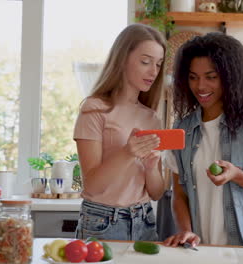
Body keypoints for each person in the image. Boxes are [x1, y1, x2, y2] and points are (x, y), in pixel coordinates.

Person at [163, 32, 243, 248]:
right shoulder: (182, 129)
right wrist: (185, 231)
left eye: (211, 77)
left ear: (230, 77)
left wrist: (238, 175)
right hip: (199, 252)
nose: (200, 86)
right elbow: (179, 194)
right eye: (193, 77)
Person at [73, 23, 167, 241]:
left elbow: (156, 192)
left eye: (158, 64)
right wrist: (128, 152)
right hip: (102, 223)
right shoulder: (94, 108)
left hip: (145, 221)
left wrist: (152, 169)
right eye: (145, 62)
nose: (153, 71)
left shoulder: (151, 118)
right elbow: (93, 186)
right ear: (123, 59)